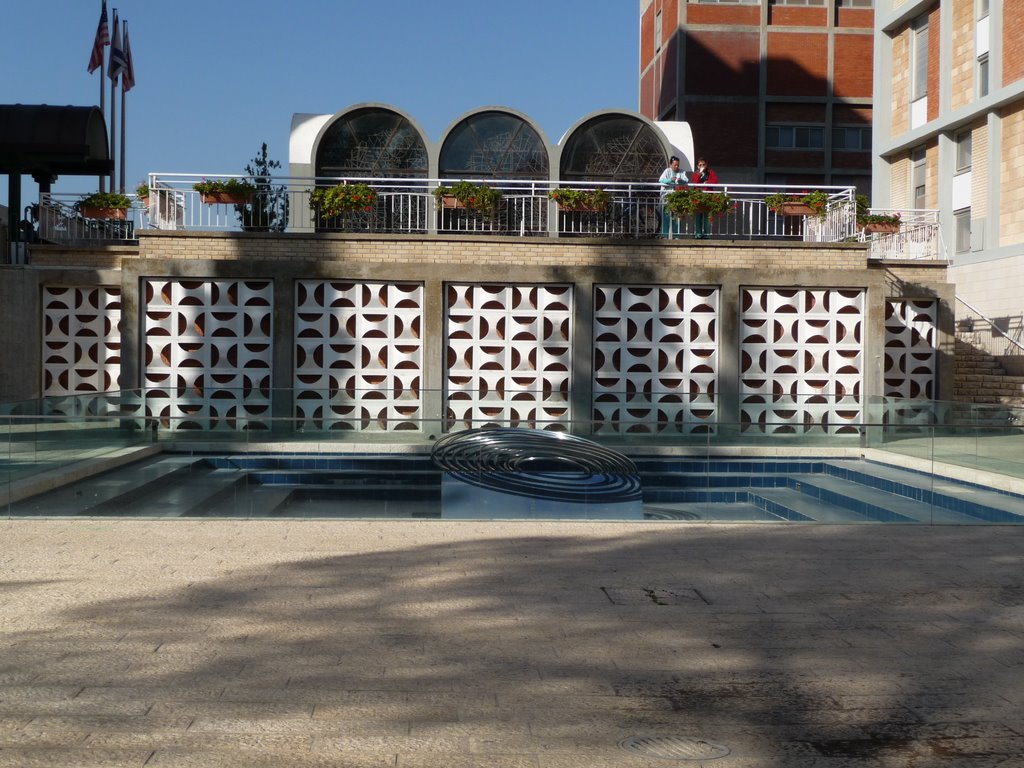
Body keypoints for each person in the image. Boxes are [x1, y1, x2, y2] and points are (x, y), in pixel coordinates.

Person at [690, 157, 718, 239]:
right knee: (698, 216)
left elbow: (715, 181)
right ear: (697, 166)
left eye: (703, 164)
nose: (702, 166)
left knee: (707, 217)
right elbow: (695, 183)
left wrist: (708, 182)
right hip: (698, 197)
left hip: (708, 197)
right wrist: (699, 174)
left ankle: (706, 234)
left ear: (706, 165)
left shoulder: (710, 172)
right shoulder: (696, 174)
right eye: (700, 165)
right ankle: (698, 234)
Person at [659, 156, 687, 238]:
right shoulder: (667, 171)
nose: (676, 167)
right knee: (666, 217)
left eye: (678, 165)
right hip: (667, 198)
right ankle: (665, 235)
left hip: (677, 198)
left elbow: (686, 180)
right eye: (675, 165)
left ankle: (676, 235)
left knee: (677, 217)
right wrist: (670, 179)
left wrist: (681, 181)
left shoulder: (682, 172)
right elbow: (661, 180)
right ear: (671, 164)